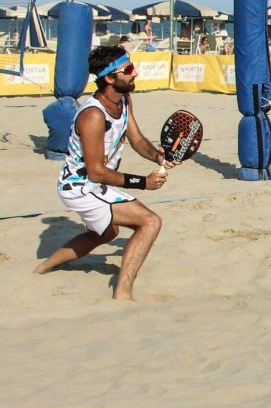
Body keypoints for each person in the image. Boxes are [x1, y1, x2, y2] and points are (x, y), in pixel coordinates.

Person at [34, 47, 177, 300]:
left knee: (108, 233)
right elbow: (97, 172)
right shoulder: (92, 116)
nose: (135, 74)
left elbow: (136, 138)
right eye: (129, 70)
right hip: (81, 187)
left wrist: (157, 155)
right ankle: (123, 294)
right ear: (109, 78)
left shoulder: (124, 100)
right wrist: (143, 183)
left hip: (92, 183)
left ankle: (43, 268)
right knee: (150, 222)